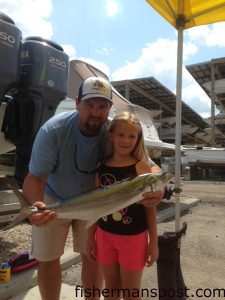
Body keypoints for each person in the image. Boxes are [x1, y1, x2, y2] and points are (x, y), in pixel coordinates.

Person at [22, 76, 162, 300]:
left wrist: (158, 187)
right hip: (54, 199)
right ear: (77, 103)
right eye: (89, 105)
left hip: (97, 203)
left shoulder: (114, 132)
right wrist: (35, 206)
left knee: (92, 256)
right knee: (48, 259)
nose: (95, 113)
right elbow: (34, 178)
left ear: (109, 108)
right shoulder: (54, 131)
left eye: (102, 106)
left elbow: (148, 165)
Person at [87, 112, 162, 300]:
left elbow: (150, 207)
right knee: (110, 292)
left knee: (130, 293)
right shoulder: (101, 166)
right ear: (110, 136)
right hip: (104, 236)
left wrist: (153, 242)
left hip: (134, 238)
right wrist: (90, 238)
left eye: (132, 136)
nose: (126, 140)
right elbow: (95, 207)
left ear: (138, 140)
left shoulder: (142, 167)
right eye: (121, 135)